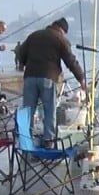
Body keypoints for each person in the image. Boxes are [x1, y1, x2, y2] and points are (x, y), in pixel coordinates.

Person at [14, 18, 85, 146]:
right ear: (62, 30)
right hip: (48, 78)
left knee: (28, 111)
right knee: (49, 111)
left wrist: (25, 63)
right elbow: (70, 60)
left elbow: (20, 53)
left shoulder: (34, 35)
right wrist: (81, 78)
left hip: (30, 77)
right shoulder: (60, 38)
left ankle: (25, 139)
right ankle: (48, 140)